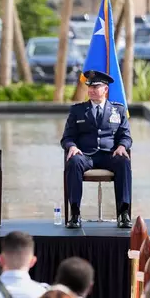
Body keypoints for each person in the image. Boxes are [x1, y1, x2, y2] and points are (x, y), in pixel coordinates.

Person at [61, 69, 132, 229]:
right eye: (90, 87)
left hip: (110, 155)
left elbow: (126, 136)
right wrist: (71, 146)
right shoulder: (77, 110)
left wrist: (122, 146)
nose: (91, 90)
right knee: (73, 162)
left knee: (123, 161)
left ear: (105, 89)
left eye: (96, 87)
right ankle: (75, 213)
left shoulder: (118, 110)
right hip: (85, 155)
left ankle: (123, 213)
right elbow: (67, 137)